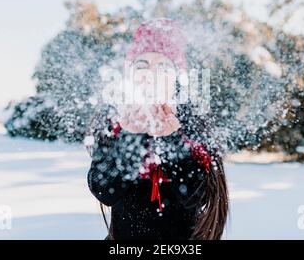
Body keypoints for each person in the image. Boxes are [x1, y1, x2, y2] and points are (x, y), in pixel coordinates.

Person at [87, 18, 228, 240]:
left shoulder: (194, 120)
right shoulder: (114, 121)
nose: (150, 74)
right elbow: (105, 191)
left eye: (163, 67)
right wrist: (130, 138)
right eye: (142, 65)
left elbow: (198, 196)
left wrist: (171, 140)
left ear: (175, 77)